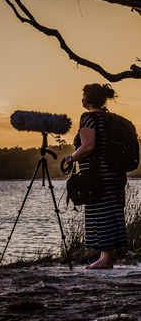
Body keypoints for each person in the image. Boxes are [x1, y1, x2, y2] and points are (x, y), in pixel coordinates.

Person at [65, 83, 127, 269]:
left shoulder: (89, 118)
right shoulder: (109, 119)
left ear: (89, 98)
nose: (82, 98)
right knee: (111, 211)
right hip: (114, 173)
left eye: (83, 94)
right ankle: (106, 257)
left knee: (101, 212)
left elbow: (88, 146)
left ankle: (105, 259)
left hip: (98, 175)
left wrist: (71, 158)